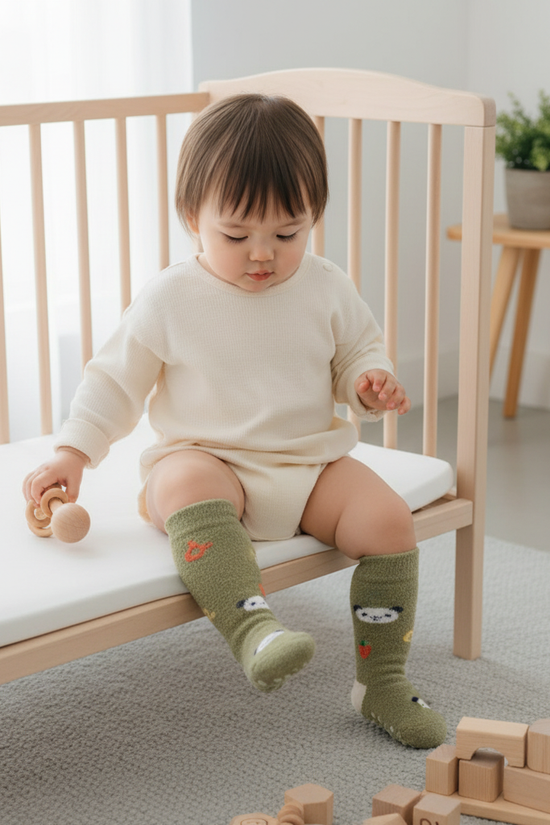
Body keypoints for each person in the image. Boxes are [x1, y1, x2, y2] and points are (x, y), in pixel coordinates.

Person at [23, 94, 446, 749]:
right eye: (237, 235)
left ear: (313, 218)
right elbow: (114, 379)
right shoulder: (170, 297)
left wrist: (368, 382)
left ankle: (382, 681)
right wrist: (73, 451)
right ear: (193, 216)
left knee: (389, 520)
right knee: (185, 479)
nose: (262, 254)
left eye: (287, 234)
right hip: (208, 458)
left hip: (308, 465)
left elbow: (357, 355)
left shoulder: (327, 286)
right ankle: (254, 630)